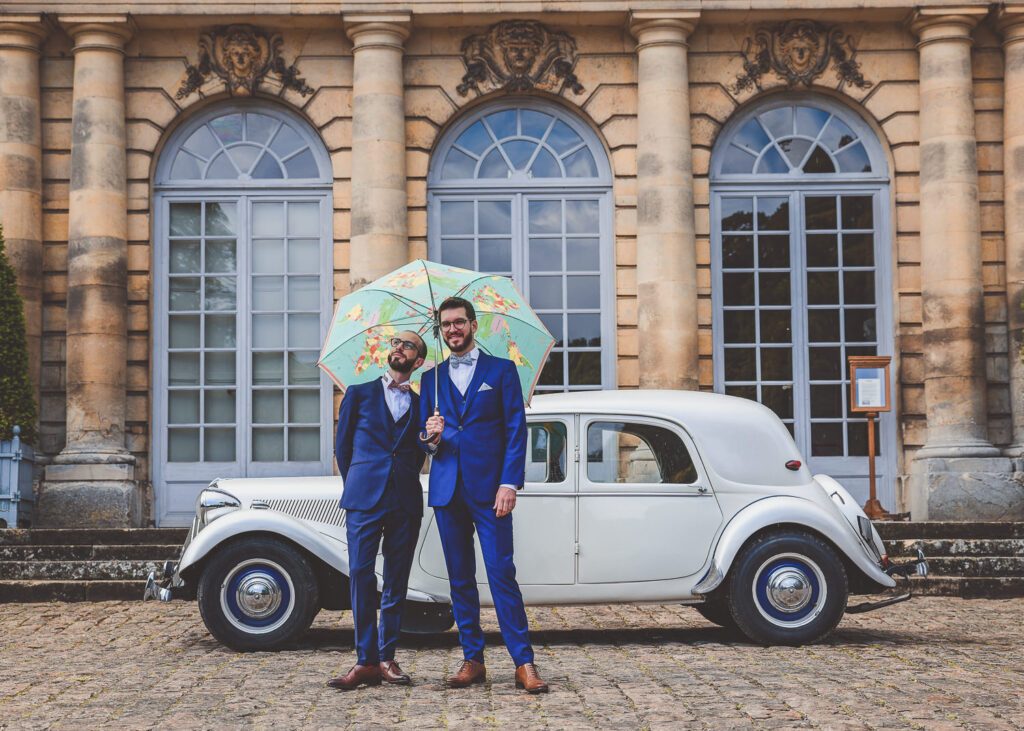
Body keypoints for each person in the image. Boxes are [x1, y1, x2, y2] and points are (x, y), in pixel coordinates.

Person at [419, 296, 549, 694]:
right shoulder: (431, 379)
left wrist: (509, 483)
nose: (453, 330)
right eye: (446, 325)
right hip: (447, 491)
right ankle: (472, 659)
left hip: (491, 490)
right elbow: (425, 442)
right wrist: (431, 436)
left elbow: (515, 428)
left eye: (459, 322)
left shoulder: (501, 370)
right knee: (460, 578)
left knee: (501, 573)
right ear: (441, 331)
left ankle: (523, 662)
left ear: (473, 325)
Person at [327, 330, 428, 691]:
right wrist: (358, 483)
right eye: (395, 343)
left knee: (397, 579)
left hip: (405, 499)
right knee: (360, 573)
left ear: (418, 361)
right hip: (363, 498)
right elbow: (343, 448)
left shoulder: (422, 404)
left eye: (408, 345)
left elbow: (421, 452)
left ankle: (387, 657)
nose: (398, 348)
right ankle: (365, 660)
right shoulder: (358, 393)